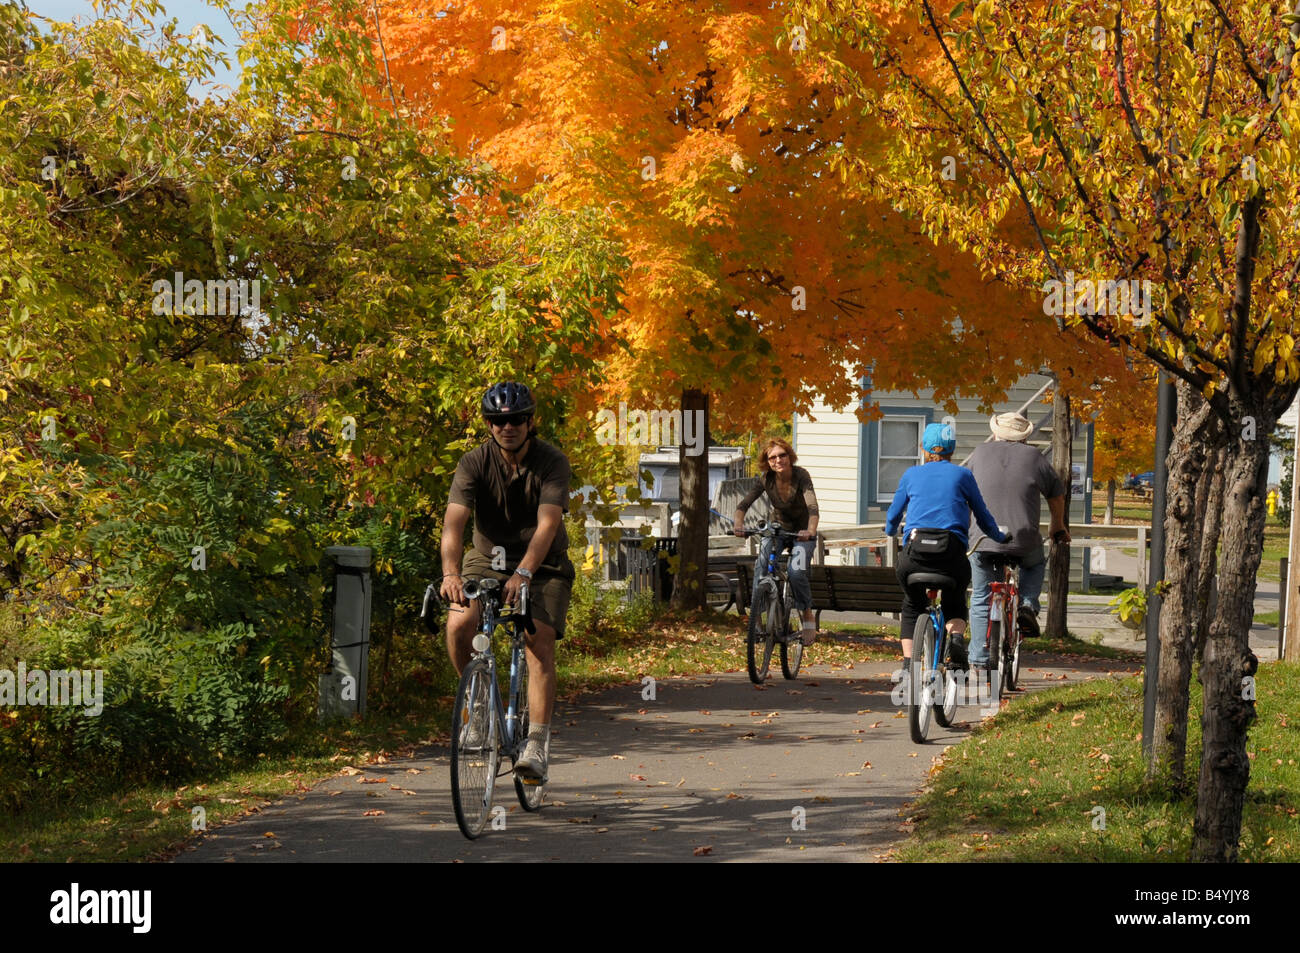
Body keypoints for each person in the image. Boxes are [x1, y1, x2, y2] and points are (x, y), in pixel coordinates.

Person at [439, 382, 576, 782]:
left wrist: (525, 572)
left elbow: (549, 523)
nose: (508, 427)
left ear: (530, 422)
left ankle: (536, 742)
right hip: (486, 558)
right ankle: (479, 705)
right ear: (488, 425)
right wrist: (451, 572)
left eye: (516, 419)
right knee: (459, 623)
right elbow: (454, 523)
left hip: (543, 562)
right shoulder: (473, 462)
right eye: (499, 421)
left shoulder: (552, 461)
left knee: (537, 641)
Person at [884, 422, 1007, 671]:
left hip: (915, 553)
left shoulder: (911, 474)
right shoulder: (962, 475)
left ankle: (909, 664)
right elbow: (982, 515)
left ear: (923, 448)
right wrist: (998, 536)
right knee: (955, 600)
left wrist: (889, 530)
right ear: (953, 450)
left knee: (911, 604)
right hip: (950, 552)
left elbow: (893, 515)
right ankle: (956, 639)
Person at [965, 412, 1070, 683]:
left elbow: (964, 493)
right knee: (1034, 563)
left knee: (980, 596)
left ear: (997, 432)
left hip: (983, 540)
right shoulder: (1035, 458)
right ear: (1025, 436)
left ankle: (977, 661)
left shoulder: (978, 454)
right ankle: (1026, 604)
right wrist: (1056, 526)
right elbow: (1057, 495)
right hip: (1023, 539)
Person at [733, 437, 821, 646]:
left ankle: (806, 612)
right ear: (767, 461)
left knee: (796, 571)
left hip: (802, 533)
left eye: (782, 455)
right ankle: (757, 618)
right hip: (778, 529)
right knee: (761, 566)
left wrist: (810, 531)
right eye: (772, 457)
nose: (778, 460)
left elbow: (813, 507)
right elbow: (743, 505)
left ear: (790, 456)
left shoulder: (801, 475)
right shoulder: (766, 479)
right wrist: (739, 524)